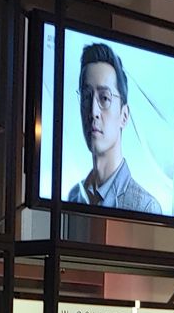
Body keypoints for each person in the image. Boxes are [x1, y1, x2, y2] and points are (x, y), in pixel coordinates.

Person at [65, 42, 160, 214]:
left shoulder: (146, 207)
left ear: (124, 115)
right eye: (86, 97)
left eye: (104, 98)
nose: (93, 111)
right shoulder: (74, 196)